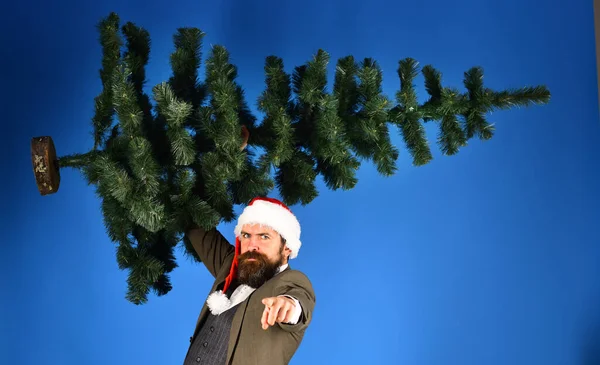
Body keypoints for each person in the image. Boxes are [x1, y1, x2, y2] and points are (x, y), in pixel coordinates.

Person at [182, 196, 316, 365]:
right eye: (246, 235)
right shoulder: (231, 265)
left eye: (264, 237)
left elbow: (299, 299)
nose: (252, 245)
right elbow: (196, 223)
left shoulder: (292, 280)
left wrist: (288, 305)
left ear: (287, 247)